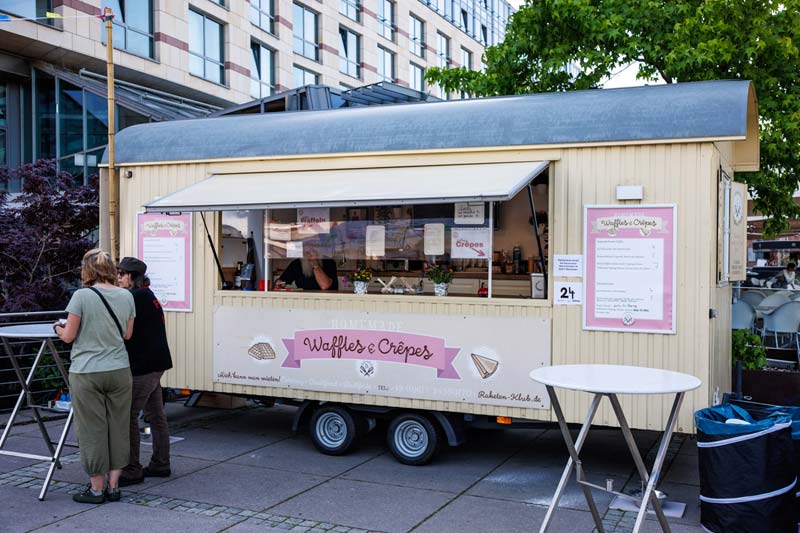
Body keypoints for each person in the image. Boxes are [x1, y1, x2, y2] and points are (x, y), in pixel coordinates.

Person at [54, 249, 135, 504]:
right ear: (112, 269)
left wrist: (58, 327)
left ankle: (96, 489)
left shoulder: (81, 296)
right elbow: (127, 335)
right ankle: (114, 487)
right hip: (120, 370)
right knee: (119, 428)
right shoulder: (126, 296)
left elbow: (69, 336)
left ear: (87, 270)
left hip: (87, 371)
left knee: (92, 430)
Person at [116, 257, 174, 486]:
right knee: (156, 415)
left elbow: (122, 330)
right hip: (157, 362)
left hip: (143, 367)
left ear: (133, 276)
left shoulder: (134, 297)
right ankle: (161, 463)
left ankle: (132, 469)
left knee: (129, 416)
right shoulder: (147, 294)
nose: (118, 277)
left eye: (122, 273)